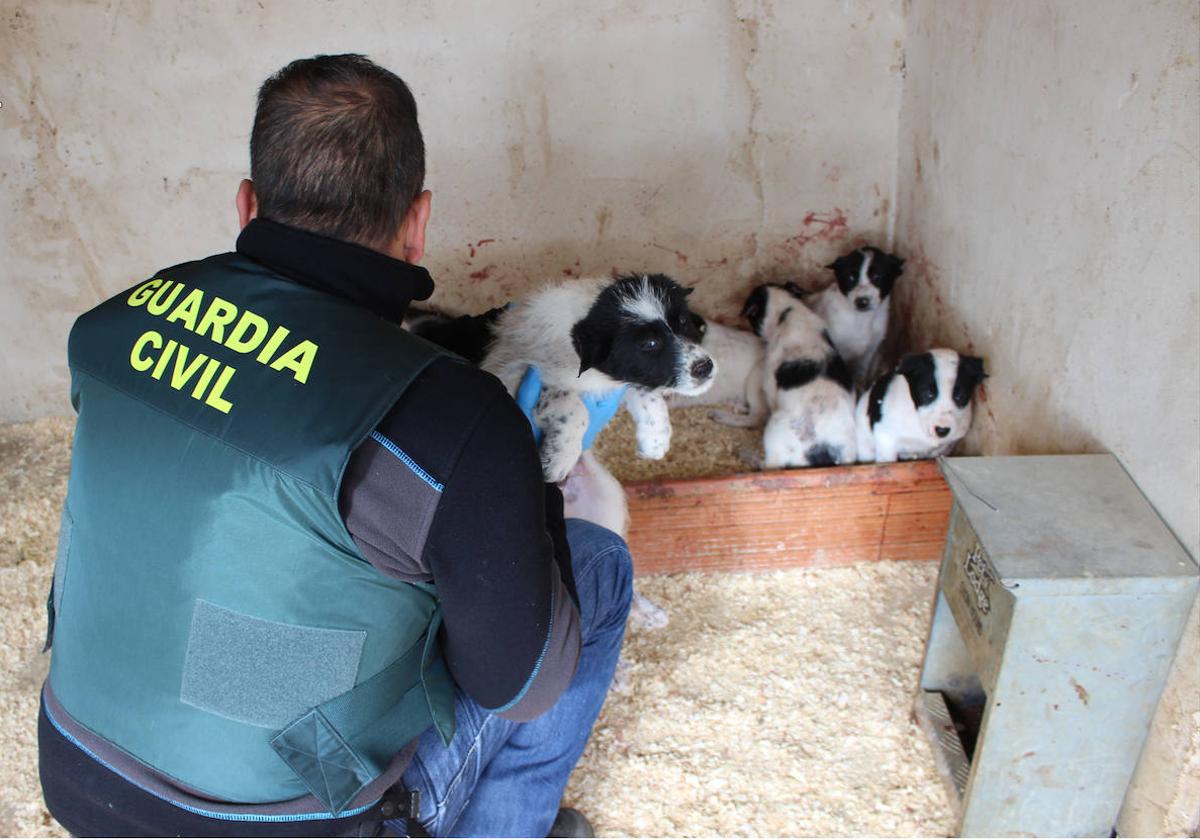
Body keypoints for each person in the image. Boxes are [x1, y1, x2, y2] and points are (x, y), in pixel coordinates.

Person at [38, 53, 633, 838]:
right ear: (418, 223)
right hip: (282, 824)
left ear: (247, 206)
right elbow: (517, 688)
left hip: (83, 780)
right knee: (595, 565)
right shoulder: (451, 415)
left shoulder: (113, 327)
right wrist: (528, 505)